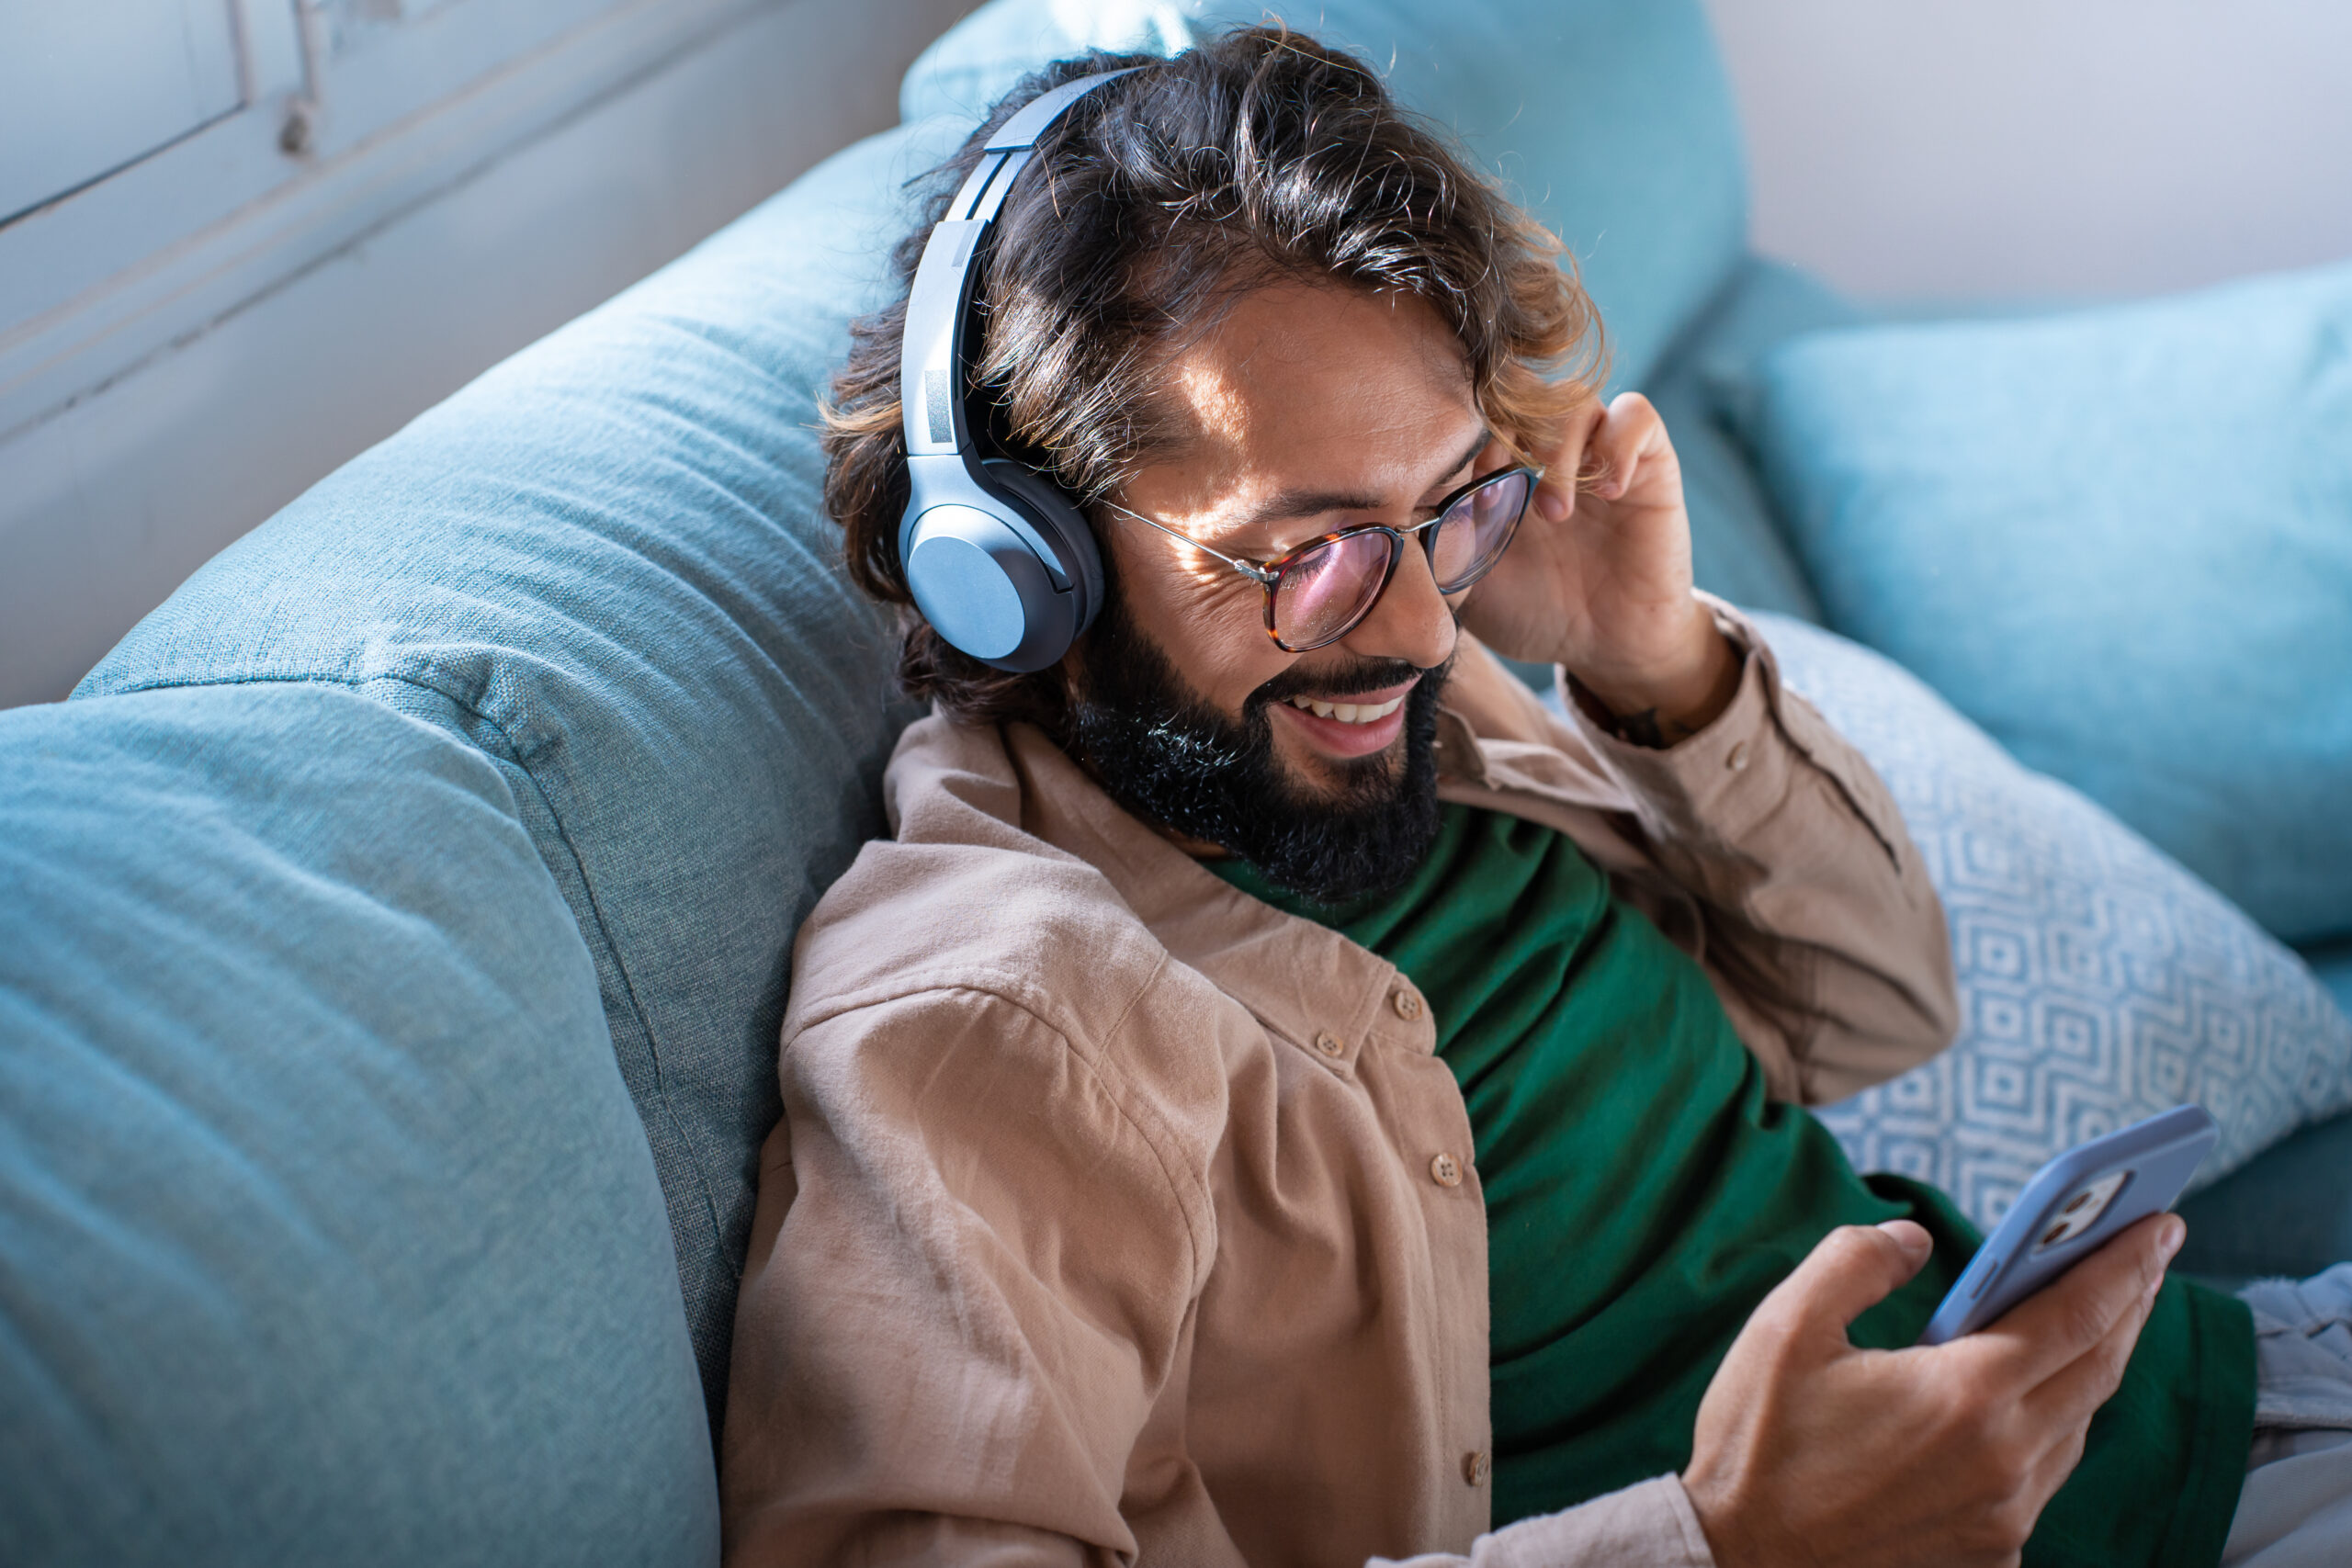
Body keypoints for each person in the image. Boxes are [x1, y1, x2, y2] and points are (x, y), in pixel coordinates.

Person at [720, 28, 2352, 1566]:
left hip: (2203, 1392)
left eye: (1448, 508)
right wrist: (1721, 1546)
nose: (1421, 626)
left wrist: (1649, 665)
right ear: (1022, 574)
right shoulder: (993, 1025)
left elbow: (1878, 1015)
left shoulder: (1405, 698)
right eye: (1314, 551)